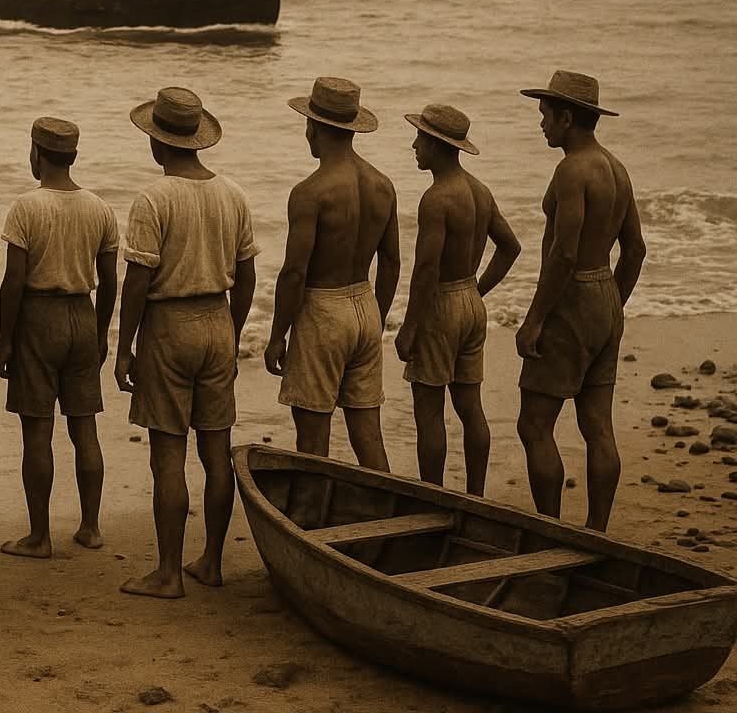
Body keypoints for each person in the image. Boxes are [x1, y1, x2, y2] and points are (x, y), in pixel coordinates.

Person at [115, 87, 258, 599]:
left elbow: (137, 281)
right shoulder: (232, 193)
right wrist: (234, 333)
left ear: (158, 142)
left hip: (169, 326)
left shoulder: (155, 198)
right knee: (216, 451)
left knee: (168, 457)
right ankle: (212, 562)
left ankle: (169, 573)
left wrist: (123, 346)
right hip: (218, 320)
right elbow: (247, 276)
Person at [515, 71, 644, 532]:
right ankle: (596, 532)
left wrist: (534, 320)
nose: (541, 125)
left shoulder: (571, 170)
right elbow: (636, 250)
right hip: (605, 294)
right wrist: (612, 304)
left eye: (545, 116)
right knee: (598, 426)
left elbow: (564, 253)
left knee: (533, 424)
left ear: (567, 117)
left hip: (572, 301)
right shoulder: (617, 168)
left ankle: (549, 529)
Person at [0, 117, 118, 558]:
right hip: (82, 316)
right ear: (74, 156)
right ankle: (90, 527)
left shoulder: (27, 208)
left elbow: (13, 281)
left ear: (37, 154)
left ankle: (39, 536)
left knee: (38, 433)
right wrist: (101, 332)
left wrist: (4, 340)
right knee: (85, 429)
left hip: (38, 318)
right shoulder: (100, 208)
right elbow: (109, 281)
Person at [265, 77, 398, 470]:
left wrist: (277, 334)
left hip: (323, 312)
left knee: (312, 439)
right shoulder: (383, 185)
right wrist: (379, 317)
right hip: (365, 305)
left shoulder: (311, 192)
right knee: (368, 434)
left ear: (314, 127)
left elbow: (294, 272)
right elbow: (391, 262)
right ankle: (388, 520)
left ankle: (312, 523)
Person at [394, 105, 520, 495]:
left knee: (429, 412)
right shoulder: (480, 191)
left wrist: (409, 327)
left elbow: (426, 270)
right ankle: (476, 496)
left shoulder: (436, 198)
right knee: (470, 407)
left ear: (436, 145)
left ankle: (433, 498)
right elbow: (510, 248)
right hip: (470, 300)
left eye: (420, 138)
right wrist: (476, 292)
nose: (414, 145)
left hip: (442, 305)